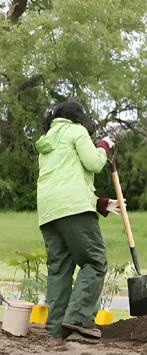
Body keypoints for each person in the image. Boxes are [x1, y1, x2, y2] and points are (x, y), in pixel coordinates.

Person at [36, 100, 121, 339]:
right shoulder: (76, 131)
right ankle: (79, 317)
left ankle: (56, 330)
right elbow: (94, 163)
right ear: (77, 117)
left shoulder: (49, 142)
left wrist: (101, 203)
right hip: (74, 211)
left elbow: (65, 182)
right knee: (94, 261)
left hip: (48, 212)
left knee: (59, 270)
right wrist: (103, 145)